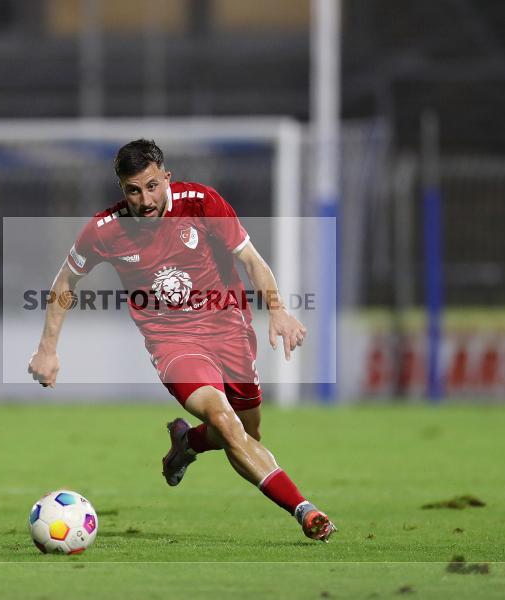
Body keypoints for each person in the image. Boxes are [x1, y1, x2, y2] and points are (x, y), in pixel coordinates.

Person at [28, 139, 336, 542]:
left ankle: (186, 442)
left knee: (248, 432)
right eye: (133, 190)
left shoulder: (202, 203)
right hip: (172, 342)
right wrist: (48, 349)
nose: (145, 199)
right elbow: (65, 282)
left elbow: (251, 261)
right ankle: (305, 510)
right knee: (226, 425)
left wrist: (277, 309)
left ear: (166, 177)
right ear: (122, 189)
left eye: (152, 186)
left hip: (230, 329)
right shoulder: (105, 230)